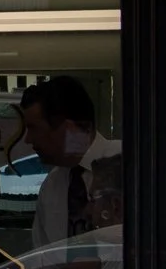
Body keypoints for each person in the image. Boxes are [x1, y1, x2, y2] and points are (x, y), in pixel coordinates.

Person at [17, 77, 120, 252]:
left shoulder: (132, 165)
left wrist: (102, 268)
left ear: (68, 129)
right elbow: (43, 266)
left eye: (34, 128)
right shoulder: (51, 187)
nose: (28, 139)